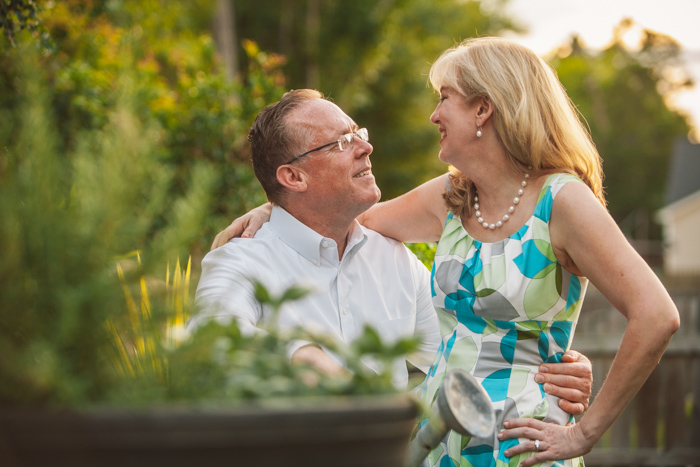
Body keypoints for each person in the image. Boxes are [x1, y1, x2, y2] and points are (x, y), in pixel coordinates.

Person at [215, 38, 680, 467]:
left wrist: (585, 432)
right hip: (440, 447)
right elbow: (343, 217)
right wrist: (274, 206)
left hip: (521, 446)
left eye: (444, 98)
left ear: (483, 109)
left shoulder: (561, 201)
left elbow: (657, 315)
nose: (434, 115)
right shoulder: (453, 197)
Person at [194, 89, 594, 407]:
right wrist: (304, 356)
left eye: (359, 134)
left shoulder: (396, 260)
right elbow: (212, 340)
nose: (365, 148)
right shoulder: (239, 259)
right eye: (341, 142)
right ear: (293, 176)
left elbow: (461, 355)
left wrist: (554, 369)